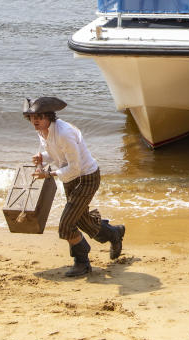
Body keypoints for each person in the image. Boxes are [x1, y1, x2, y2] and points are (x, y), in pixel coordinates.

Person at [25, 96, 125, 278]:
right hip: (71, 179)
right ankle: (114, 233)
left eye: (39, 116)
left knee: (66, 225)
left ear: (49, 116)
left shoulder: (64, 133)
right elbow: (56, 154)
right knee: (81, 220)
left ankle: (82, 262)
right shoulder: (43, 131)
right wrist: (43, 158)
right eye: (32, 117)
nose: (35, 121)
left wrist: (48, 174)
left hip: (86, 177)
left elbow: (75, 167)